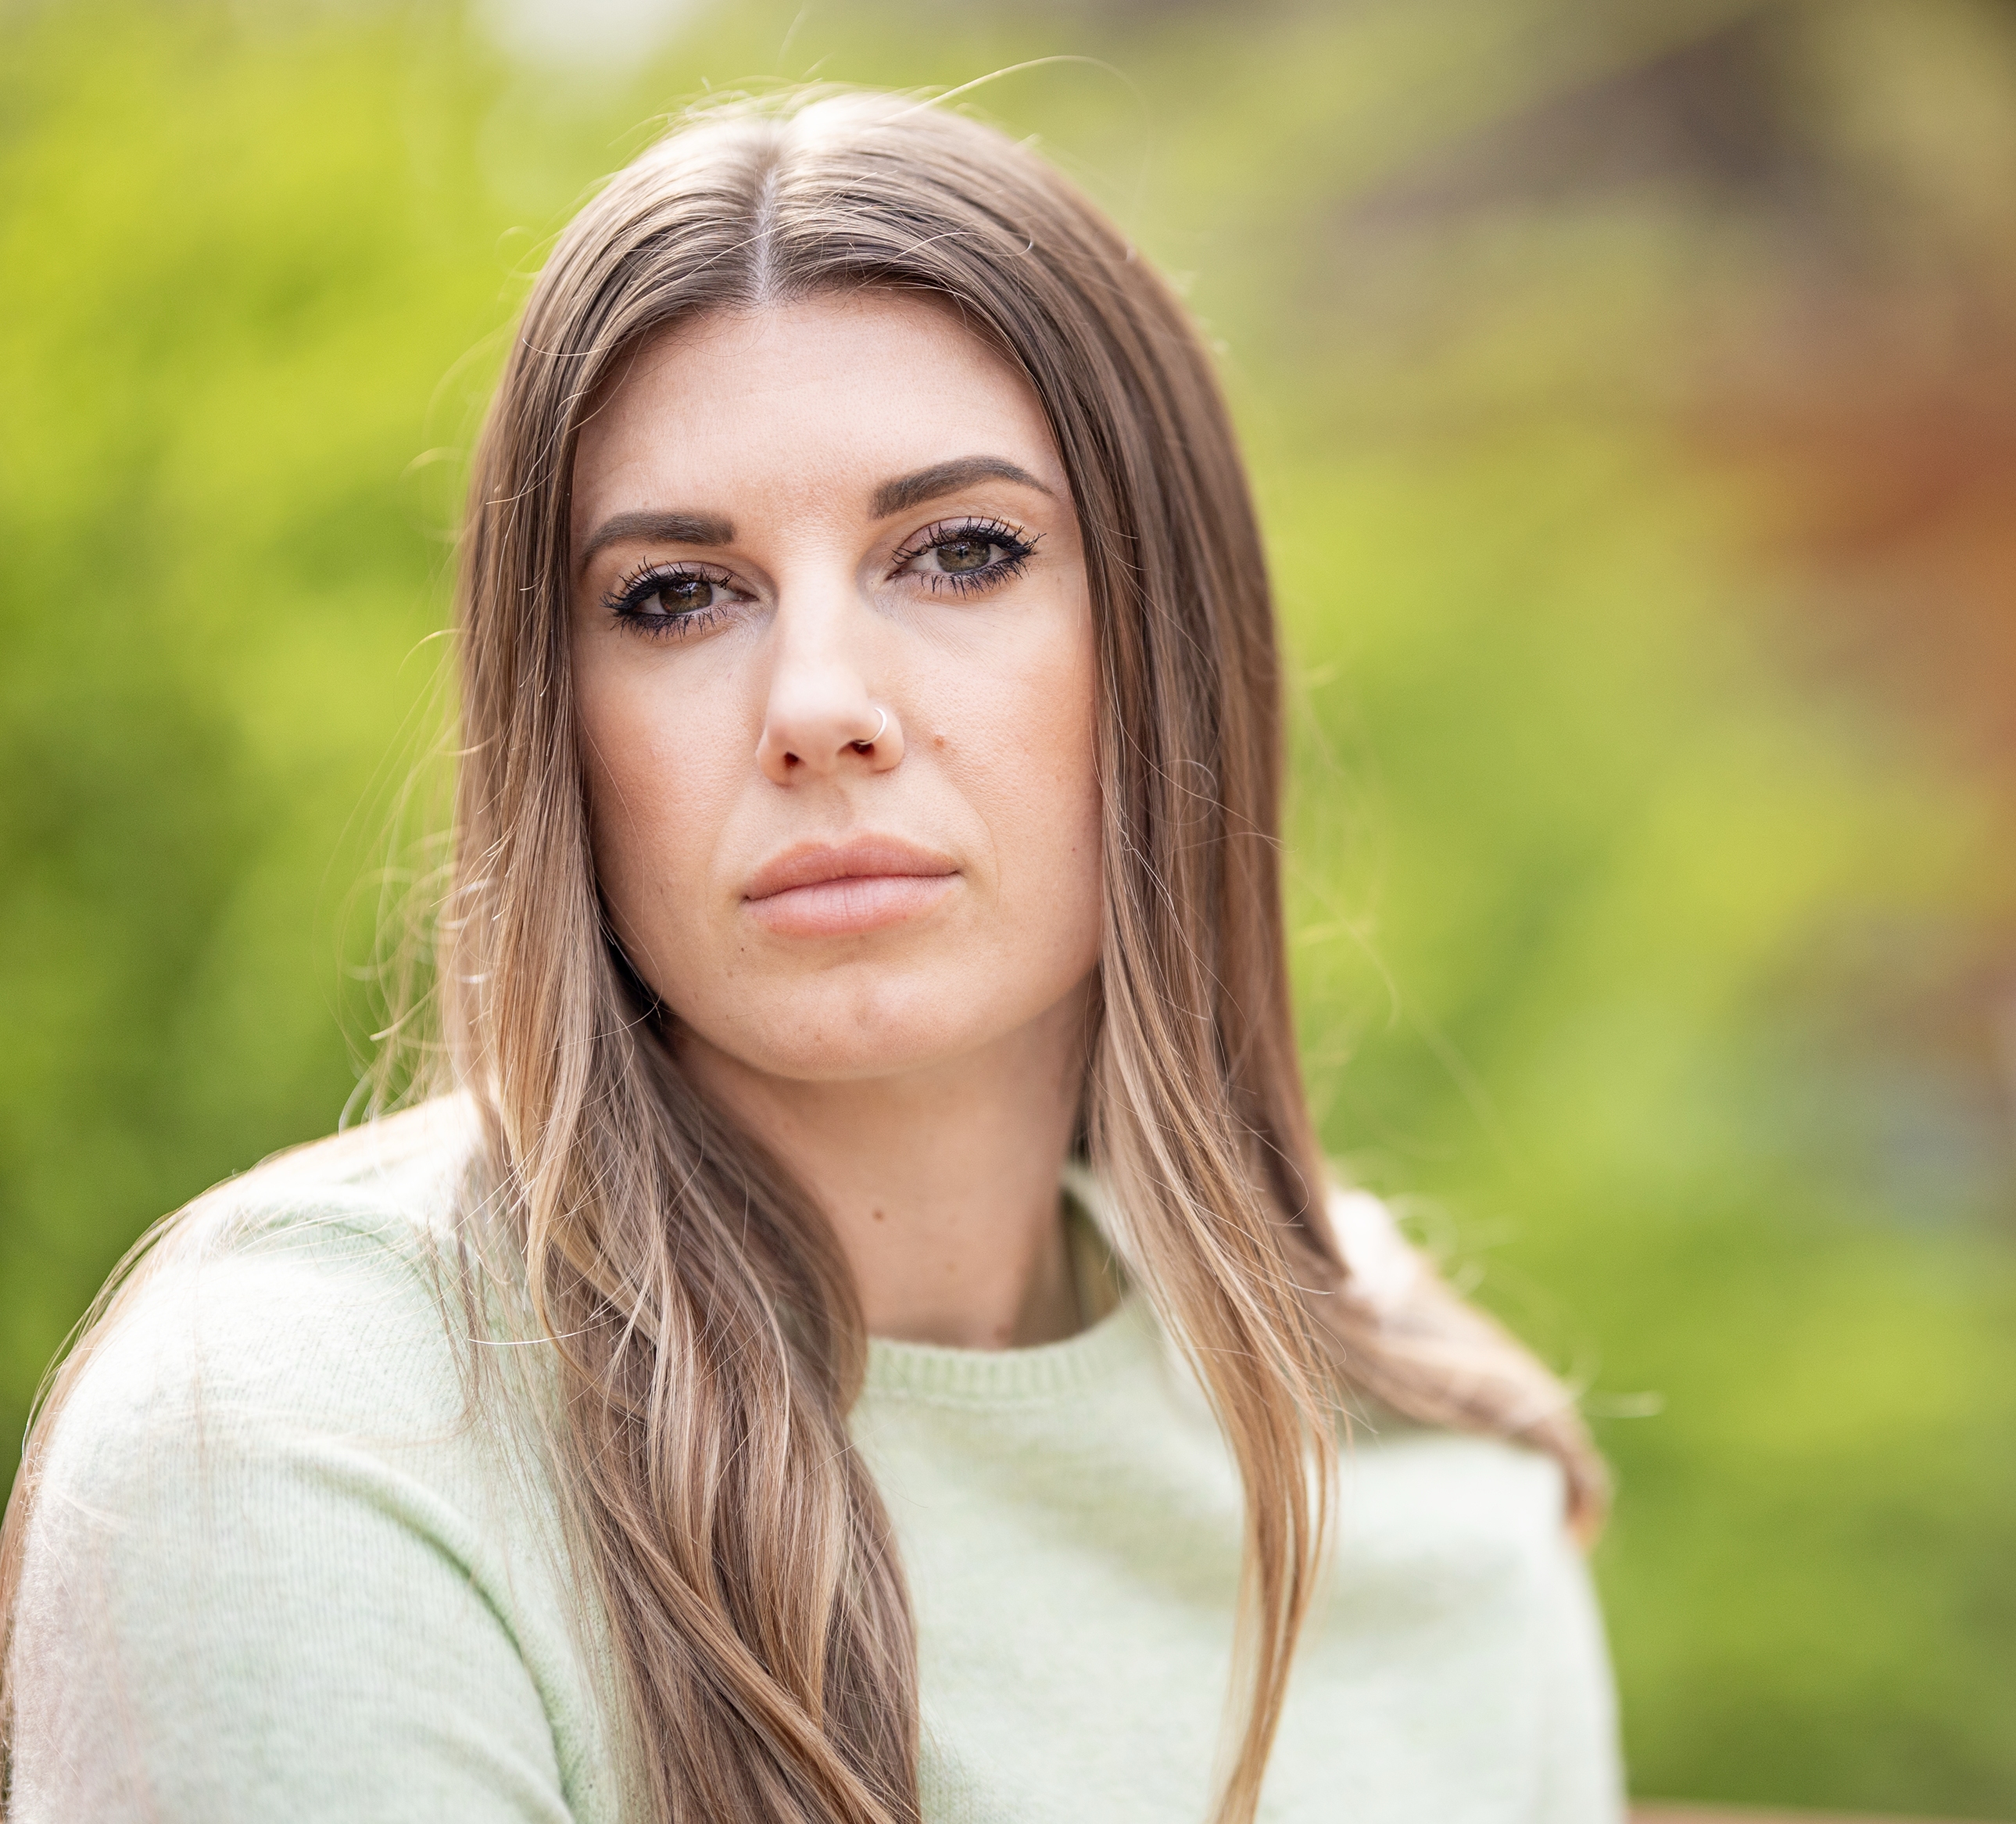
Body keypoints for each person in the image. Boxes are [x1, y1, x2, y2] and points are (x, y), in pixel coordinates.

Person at [0, 90, 1618, 1824]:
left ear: (1169, 652)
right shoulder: (308, 1437)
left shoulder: (1425, 1492)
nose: (821, 708)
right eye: (677, 595)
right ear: (556, 722)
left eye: (962, 552)